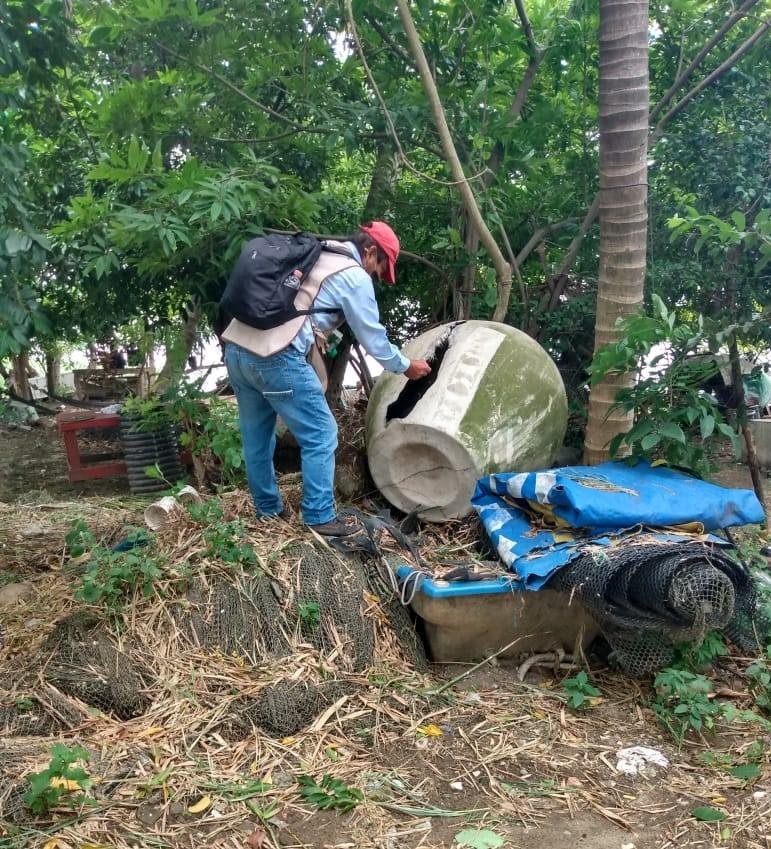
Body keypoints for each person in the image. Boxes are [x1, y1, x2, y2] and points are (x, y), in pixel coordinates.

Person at [223, 221, 431, 536]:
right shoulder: (353, 275)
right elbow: (372, 339)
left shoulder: (314, 255)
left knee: (257, 437)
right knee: (321, 433)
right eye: (379, 269)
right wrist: (406, 366)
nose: (376, 276)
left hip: (238, 350)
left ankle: (267, 511)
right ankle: (319, 516)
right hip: (276, 356)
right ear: (370, 251)